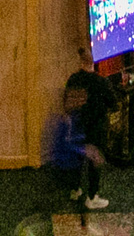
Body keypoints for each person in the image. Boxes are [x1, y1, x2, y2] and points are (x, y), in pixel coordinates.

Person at [45, 78, 111, 212]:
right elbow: (66, 145)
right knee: (93, 160)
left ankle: (75, 190)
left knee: (81, 161)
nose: (82, 101)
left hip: (70, 160)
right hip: (64, 165)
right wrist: (87, 149)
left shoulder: (73, 115)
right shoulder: (67, 121)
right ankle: (91, 198)